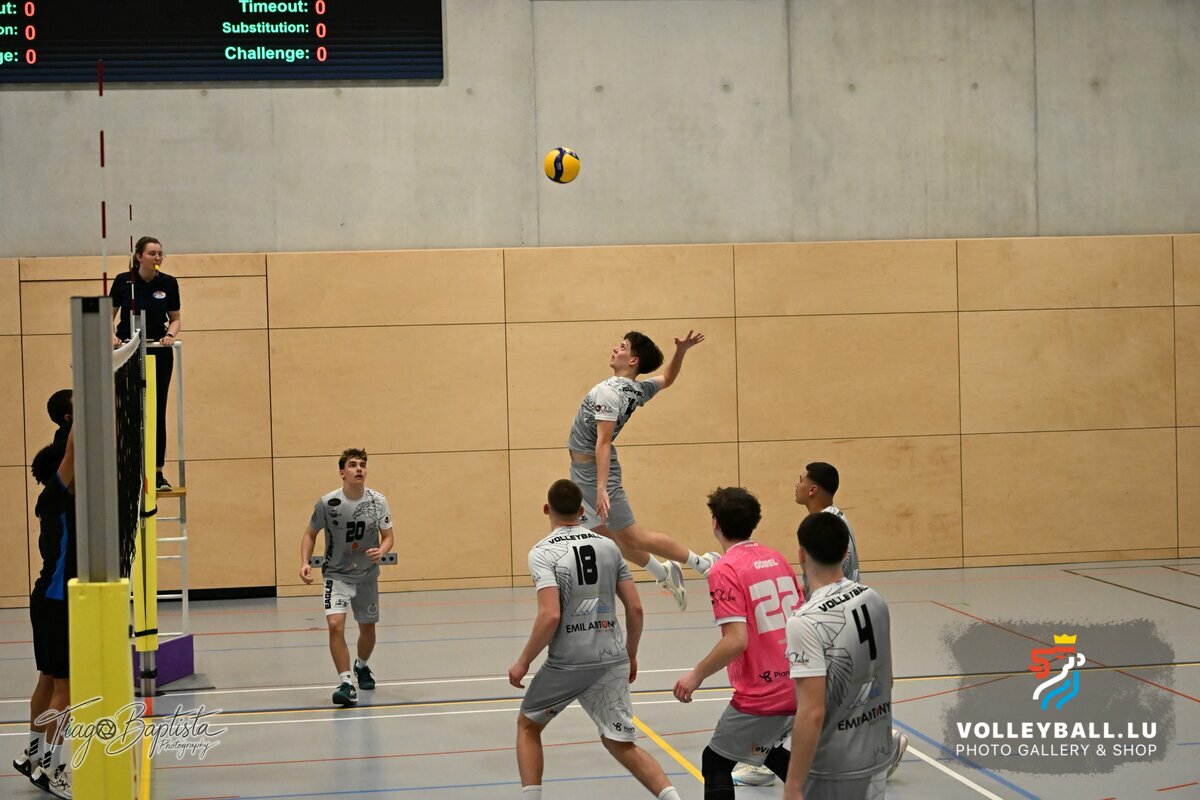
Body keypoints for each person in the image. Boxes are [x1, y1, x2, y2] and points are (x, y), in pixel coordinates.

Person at [509, 479, 684, 800]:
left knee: (528, 726)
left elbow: (550, 615)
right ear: (581, 511)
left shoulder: (542, 553)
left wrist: (523, 661)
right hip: (611, 658)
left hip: (569, 663)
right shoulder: (609, 546)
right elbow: (635, 608)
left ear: (547, 509)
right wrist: (630, 654)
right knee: (620, 743)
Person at [732, 461, 883, 787]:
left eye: (800, 479)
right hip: (844, 619)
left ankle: (763, 760)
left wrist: (811, 617)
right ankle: (876, 750)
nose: (796, 484)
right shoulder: (834, 520)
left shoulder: (823, 526)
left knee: (798, 696)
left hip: (831, 626)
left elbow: (833, 578)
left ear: (812, 489)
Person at [567, 330, 718, 611]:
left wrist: (601, 488)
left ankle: (704, 564)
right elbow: (667, 379)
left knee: (633, 537)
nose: (615, 349)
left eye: (622, 346)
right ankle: (663, 572)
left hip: (596, 473)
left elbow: (603, 442)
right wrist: (680, 352)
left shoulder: (610, 393)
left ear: (633, 360)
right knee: (608, 538)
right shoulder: (635, 389)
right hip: (581, 472)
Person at [672, 487, 803, 799]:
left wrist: (696, 674)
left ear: (715, 523)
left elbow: (736, 640)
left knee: (715, 762)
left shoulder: (725, 569)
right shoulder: (776, 558)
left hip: (764, 692)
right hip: (799, 683)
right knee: (765, 748)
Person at [783, 512, 894, 800]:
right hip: (876, 754)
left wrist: (793, 785)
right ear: (846, 552)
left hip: (832, 768)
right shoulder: (873, 598)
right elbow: (886, 675)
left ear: (801, 554)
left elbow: (812, 712)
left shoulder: (805, 621)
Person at [14, 392, 77, 799]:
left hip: (44, 599)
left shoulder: (50, 499)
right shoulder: (58, 492)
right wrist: (92, 396)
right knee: (66, 690)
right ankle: (52, 768)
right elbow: (71, 450)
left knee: (47, 680)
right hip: (58, 601)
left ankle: (32, 755)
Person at [299, 448, 394, 707]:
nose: (359, 468)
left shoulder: (378, 501)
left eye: (362, 464)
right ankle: (345, 683)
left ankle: (361, 666)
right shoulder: (327, 503)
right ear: (342, 472)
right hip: (336, 575)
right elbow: (310, 534)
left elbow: (388, 537)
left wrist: (381, 551)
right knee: (335, 625)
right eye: (352, 465)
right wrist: (305, 562)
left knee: (368, 628)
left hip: (366, 576)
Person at [109, 235, 181, 491]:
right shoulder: (123, 281)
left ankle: (157, 472)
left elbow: (175, 318)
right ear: (139, 256)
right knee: (128, 410)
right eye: (152, 253)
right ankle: (127, 470)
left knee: (156, 410)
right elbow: (109, 315)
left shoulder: (168, 283)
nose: (157, 257)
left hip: (157, 352)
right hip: (128, 352)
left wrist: (170, 335)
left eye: (160, 253)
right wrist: (112, 336)